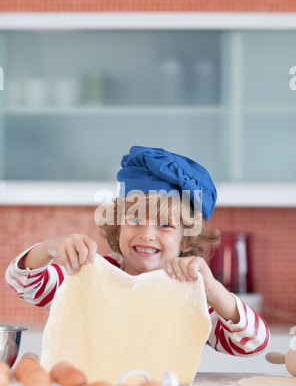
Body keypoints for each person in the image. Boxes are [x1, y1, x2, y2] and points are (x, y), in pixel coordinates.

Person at [5, 146, 269, 357]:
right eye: (134, 219)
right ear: (118, 226)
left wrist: (211, 290)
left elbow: (252, 343)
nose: (147, 234)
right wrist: (49, 248)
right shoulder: (87, 275)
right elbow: (22, 282)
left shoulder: (190, 294)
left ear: (186, 239)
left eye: (165, 225)